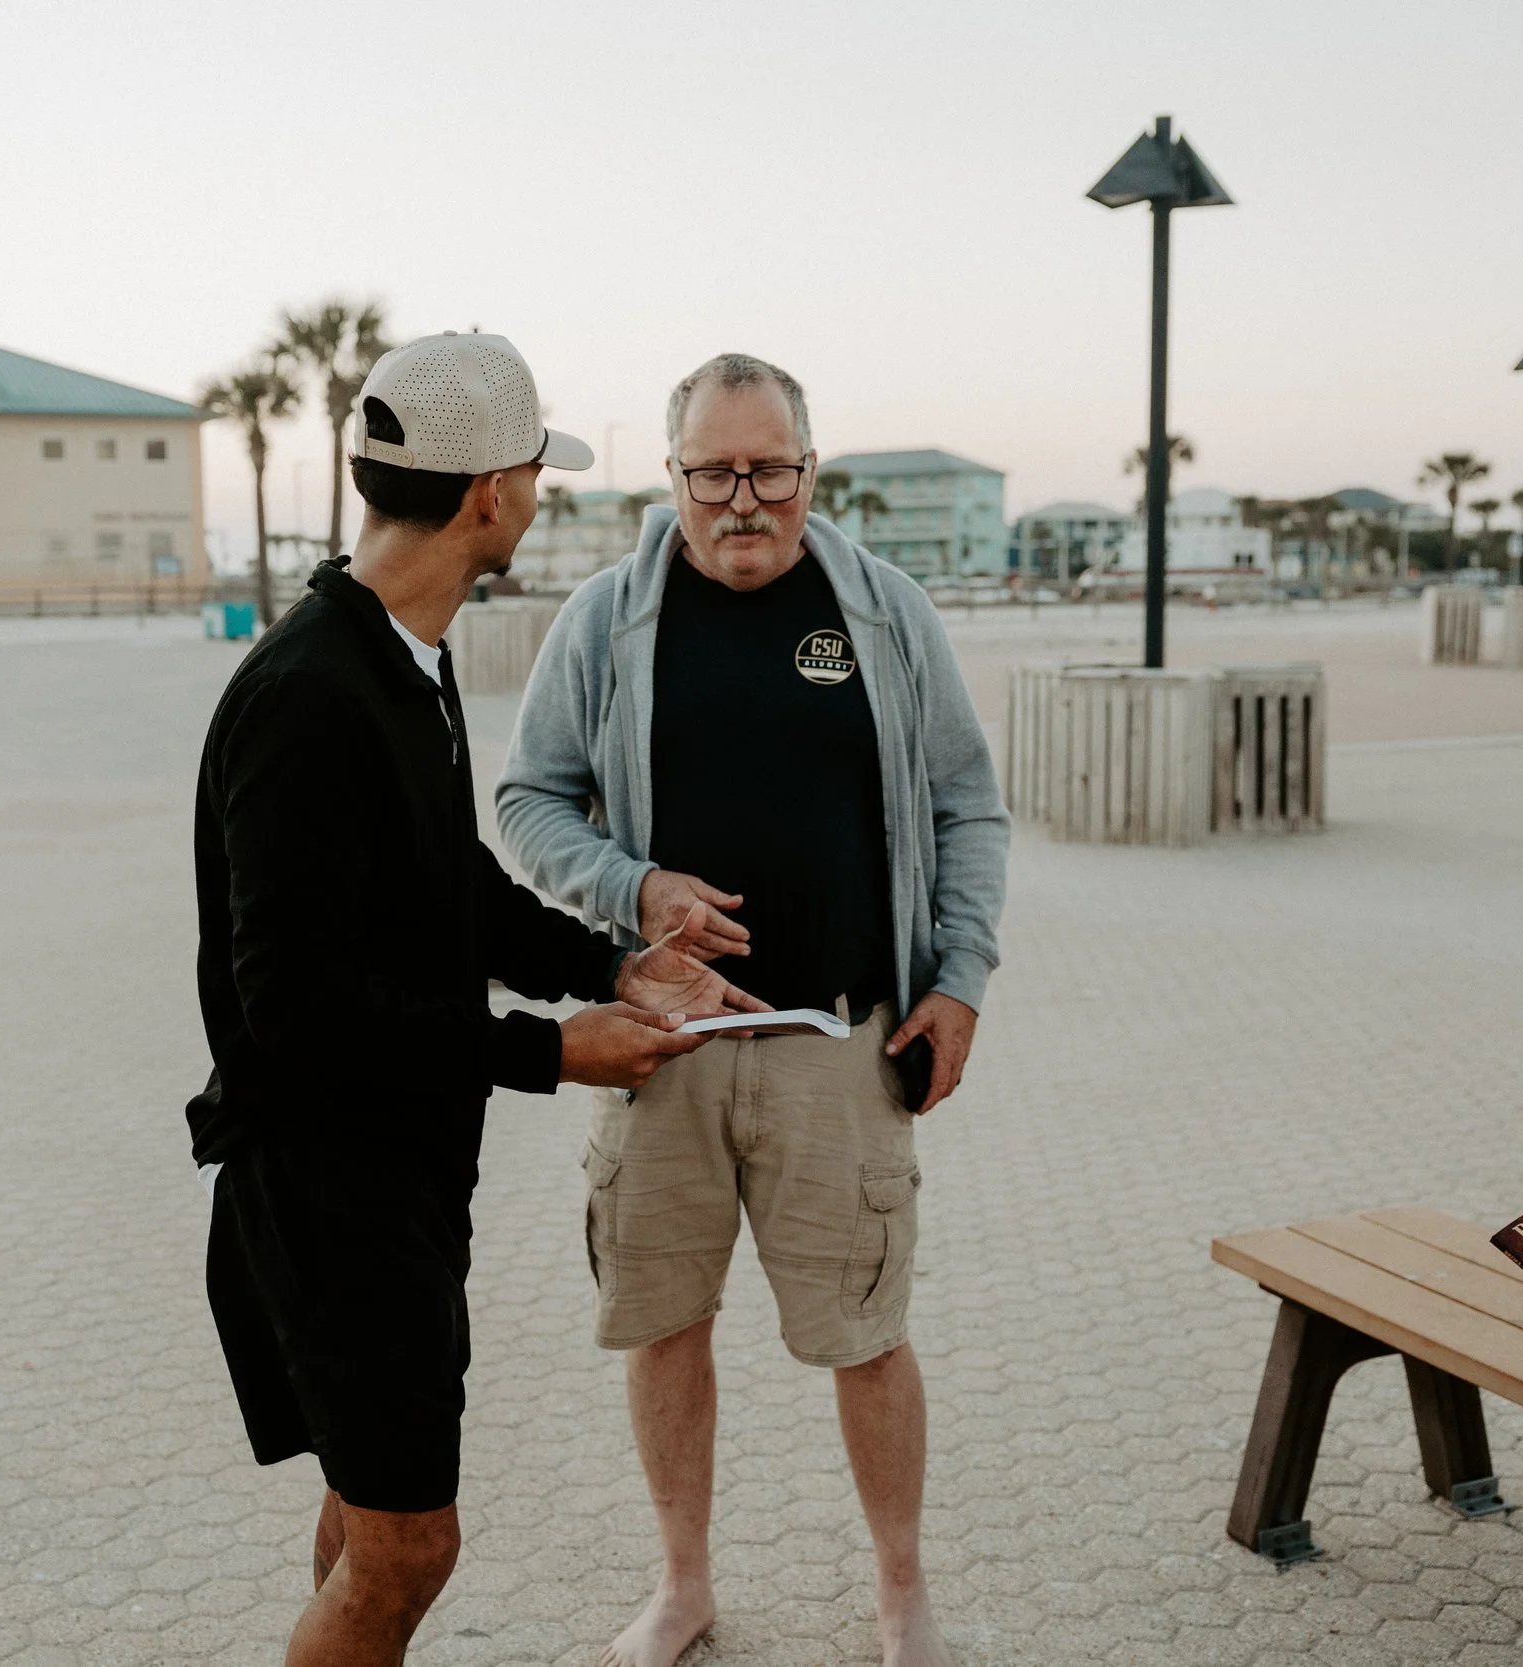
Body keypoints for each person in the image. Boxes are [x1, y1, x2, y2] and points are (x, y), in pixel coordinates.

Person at [189, 332, 770, 1667]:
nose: (540, 496)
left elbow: (444, 881)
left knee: (367, 1513)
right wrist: (549, 1051)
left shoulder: (400, 653)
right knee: (409, 1544)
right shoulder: (308, 693)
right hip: (327, 1190)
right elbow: (298, 1013)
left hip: (396, 1169)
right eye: (534, 473)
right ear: (489, 494)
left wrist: (610, 962)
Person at [496, 353, 1010, 1667]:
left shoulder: (884, 611)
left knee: (868, 1334)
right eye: (713, 472)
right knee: (664, 1325)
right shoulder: (607, 618)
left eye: (768, 469)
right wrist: (632, 884)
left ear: (808, 469)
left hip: (838, 1044)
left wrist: (959, 978)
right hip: (663, 1046)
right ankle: (684, 1586)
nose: (742, 498)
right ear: (672, 477)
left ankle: (901, 1594)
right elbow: (527, 799)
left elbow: (967, 802)